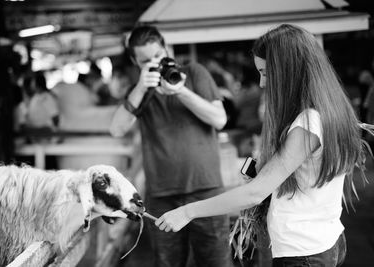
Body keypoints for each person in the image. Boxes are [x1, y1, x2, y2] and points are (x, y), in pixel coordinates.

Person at [155, 24, 374, 267]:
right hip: (326, 238)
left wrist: (187, 212)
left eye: (267, 73)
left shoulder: (309, 122)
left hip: (304, 252)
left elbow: (255, 192)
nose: (261, 83)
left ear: (291, 71)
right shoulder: (330, 109)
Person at [110, 25, 232, 267]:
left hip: (206, 190)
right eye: (145, 60)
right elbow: (116, 129)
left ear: (165, 49)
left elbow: (219, 119)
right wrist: (142, 87)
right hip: (162, 195)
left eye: (157, 55)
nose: (154, 62)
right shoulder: (140, 90)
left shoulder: (194, 73)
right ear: (135, 61)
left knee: (216, 262)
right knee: (168, 264)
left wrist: (180, 92)